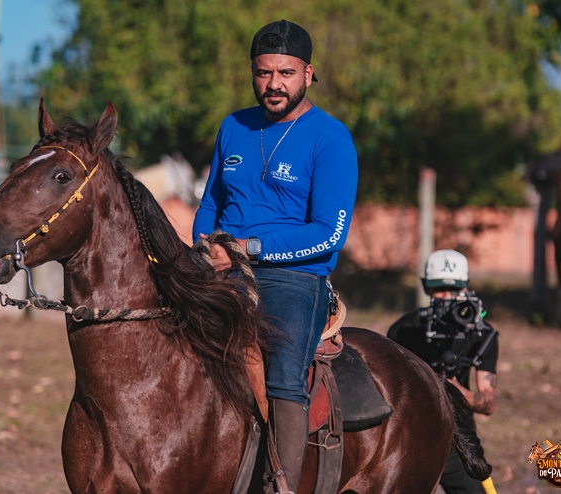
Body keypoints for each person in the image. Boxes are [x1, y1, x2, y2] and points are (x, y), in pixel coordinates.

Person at [192, 19, 358, 494]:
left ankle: (280, 485)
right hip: (221, 267)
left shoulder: (331, 138)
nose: (274, 84)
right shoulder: (233, 126)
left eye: (286, 73)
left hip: (293, 277)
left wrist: (248, 250)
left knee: (285, 372)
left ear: (308, 73)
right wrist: (205, 247)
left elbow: (329, 234)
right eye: (264, 73)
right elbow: (210, 205)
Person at [388, 249, 499, 494]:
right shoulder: (404, 331)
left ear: (466, 288)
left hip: (456, 437)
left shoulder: (482, 334)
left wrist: (459, 393)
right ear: (426, 288)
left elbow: (489, 403)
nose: (447, 297)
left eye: (454, 289)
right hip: (409, 435)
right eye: (439, 289)